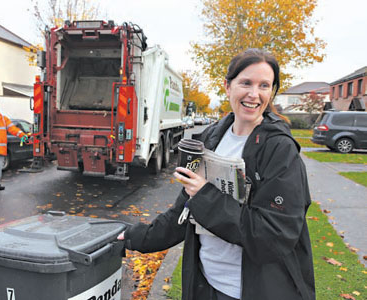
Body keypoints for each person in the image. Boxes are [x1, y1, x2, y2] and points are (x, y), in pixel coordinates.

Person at [118, 48, 315, 300]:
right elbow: (184, 212)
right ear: (227, 86)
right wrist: (133, 237)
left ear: (272, 91)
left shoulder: (280, 150)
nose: (254, 94)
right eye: (246, 83)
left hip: (252, 291)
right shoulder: (211, 138)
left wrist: (204, 197)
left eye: (264, 85)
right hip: (206, 284)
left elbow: (274, 236)